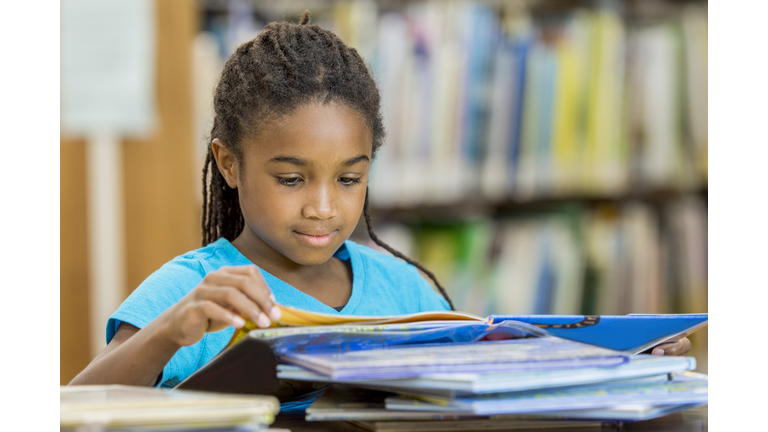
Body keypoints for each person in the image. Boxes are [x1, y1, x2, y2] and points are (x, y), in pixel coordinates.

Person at [70, 11, 690, 396]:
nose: (322, 208)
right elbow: (72, 408)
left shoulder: (409, 291)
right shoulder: (192, 293)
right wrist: (165, 335)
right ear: (229, 163)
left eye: (348, 179)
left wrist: (627, 364)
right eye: (290, 180)